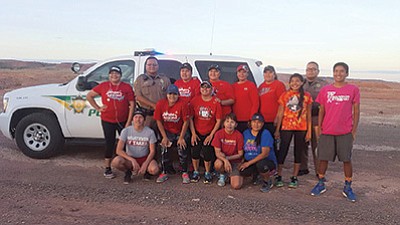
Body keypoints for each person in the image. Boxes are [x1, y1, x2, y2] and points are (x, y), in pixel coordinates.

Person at [311, 62, 360, 202]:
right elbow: (322, 110)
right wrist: (319, 128)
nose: (338, 74)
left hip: (345, 131)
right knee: (323, 158)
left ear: (347, 73)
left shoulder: (353, 89)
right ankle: (321, 184)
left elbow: (356, 111)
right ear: (333, 73)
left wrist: (354, 130)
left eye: (342, 71)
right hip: (327, 130)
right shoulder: (326, 90)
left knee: (346, 159)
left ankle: (348, 186)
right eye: (336, 71)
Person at [86, 65, 135, 178]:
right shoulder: (103, 86)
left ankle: (127, 167)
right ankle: (107, 168)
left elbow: (132, 104)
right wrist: (98, 108)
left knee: (125, 144)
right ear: (109, 75)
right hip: (107, 120)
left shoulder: (126, 87)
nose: (114, 75)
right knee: (109, 143)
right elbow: (89, 96)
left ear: (120, 75)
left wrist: (128, 121)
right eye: (112, 73)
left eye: (117, 73)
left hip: (122, 121)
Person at [274, 73, 313, 188]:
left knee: (298, 152)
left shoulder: (307, 96)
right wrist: (277, 130)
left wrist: (309, 131)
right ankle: (279, 175)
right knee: (283, 151)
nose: (294, 83)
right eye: (292, 81)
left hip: (301, 128)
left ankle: (294, 177)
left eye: (297, 81)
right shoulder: (285, 95)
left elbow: (309, 115)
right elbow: (280, 113)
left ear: (302, 82)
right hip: (286, 127)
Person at [154, 84, 191, 184]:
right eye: (170, 94)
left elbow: (186, 122)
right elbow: (158, 121)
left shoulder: (182, 104)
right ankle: (164, 172)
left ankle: (184, 172)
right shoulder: (161, 104)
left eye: (175, 94)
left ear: (178, 95)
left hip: (180, 130)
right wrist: (164, 137)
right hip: (167, 130)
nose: (172, 97)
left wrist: (181, 137)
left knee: (182, 147)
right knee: (164, 147)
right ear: (166, 95)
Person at [111, 110, 159, 184]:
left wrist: (145, 163)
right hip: (130, 158)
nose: (138, 119)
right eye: (136, 117)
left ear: (144, 120)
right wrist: (132, 160)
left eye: (140, 117)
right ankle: (128, 172)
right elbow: (119, 150)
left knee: (154, 170)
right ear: (132, 119)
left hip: (144, 157)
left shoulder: (150, 132)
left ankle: (146, 172)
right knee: (116, 162)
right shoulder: (126, 131)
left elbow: (152, 151)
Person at [298, 61, 329, 177]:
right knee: (302, 144)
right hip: (303, 119)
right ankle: (303, 167)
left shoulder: (324, 85)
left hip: (317, 119)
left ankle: (319, 171)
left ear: (318, 71)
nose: (310, 71)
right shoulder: (302, 84)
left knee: (318, 146)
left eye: (313, 69)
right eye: (308, 69)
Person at [189, 80, 222, 184]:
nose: (205, 89)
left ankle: (208, 172)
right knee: (195, 151)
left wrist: (211, 135)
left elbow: (218, 121)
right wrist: (193, 133)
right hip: (197, 131)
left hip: (209, 131)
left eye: (207, 87)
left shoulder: (215, 102)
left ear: (211, 89)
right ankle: (196, 171)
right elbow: (190, 118)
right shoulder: (195, 101)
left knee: (207, 153)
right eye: (203, 87)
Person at [239, 113, 277, 193]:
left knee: (261, 165)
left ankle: (267, 181)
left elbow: (264, 154)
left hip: (264, 161)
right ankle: (256, 175)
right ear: (250, 123)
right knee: (243, 171)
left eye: (259, 122)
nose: (256, 124)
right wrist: (243, 161)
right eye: (254, 122)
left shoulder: (265, 133)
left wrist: (248, 163)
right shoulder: (246, 133)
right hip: (251, 160)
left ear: (262, 124)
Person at [134, 56, 171, 134]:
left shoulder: (165, 79)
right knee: (145, 137)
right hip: (147, 116)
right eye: (149, 64)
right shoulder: (140, 79)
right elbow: (138, 97)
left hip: (162, 115)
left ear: (158, 66)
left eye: (154, 65)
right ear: (146, 66)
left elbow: (170, 96)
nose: (152, 67)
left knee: (162, 137)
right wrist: (154, 105)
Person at [258, 65, 286, 153]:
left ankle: (274, 162)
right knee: (264, 142)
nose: (268, 74)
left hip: (273, 120)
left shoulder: (279, 85)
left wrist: (278, 117)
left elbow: (282, 104)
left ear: (274, 74)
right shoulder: (261, 86)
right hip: (263, 120)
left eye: (270, 72)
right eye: (265, 72)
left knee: (273, 143)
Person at [212, 113, 244, 189]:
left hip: (235, 161)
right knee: (218, 164)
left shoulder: (239, 135)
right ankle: (222, 175)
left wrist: (227, 159)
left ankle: (232, 175)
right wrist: (225, 160)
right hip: (223, 160)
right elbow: (217, 153)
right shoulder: (219, 134)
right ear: (224, 123)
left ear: (236, 125)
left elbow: (240, 154)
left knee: (236, 186)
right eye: (227, 121)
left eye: (232, 122)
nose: (229, 124)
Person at [232, 64, 259, 133]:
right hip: (234, 119)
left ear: (247, 74)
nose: (241, 74)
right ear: (237, 73)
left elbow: (255, 103)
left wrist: (251, 119)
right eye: (239, 72)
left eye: (244, 72)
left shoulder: (251, 85)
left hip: (246, 120)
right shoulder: (233, 86)